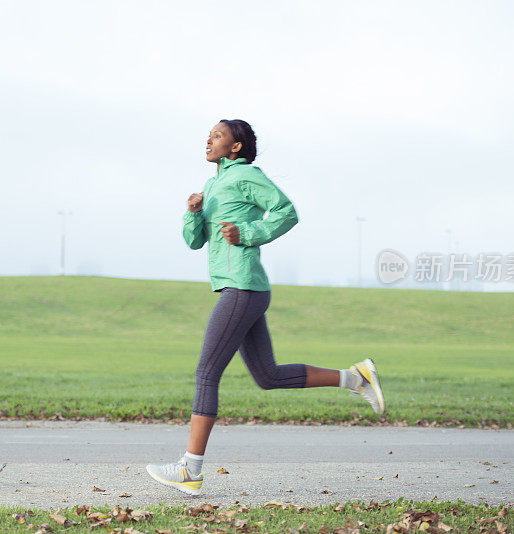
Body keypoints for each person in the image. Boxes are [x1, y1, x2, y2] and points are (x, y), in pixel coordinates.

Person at [145, 119, 385, 496]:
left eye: (218, 135)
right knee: (267, 376)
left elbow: (287, 211)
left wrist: (249, 234)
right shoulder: (212, 185)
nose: (209, 139)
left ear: (236, 147)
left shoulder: (246, 177)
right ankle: (356, 378)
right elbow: (195, 243)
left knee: (206, 373)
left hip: (242, 287)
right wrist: (193, 213)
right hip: (241, 288)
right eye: (209, 134)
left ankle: (189, 469)